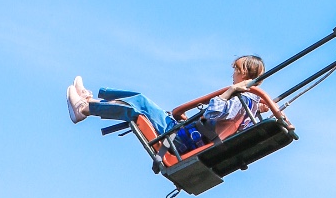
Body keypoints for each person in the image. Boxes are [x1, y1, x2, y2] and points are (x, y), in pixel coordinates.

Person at [67, 57, 289, 146]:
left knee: (139, 105)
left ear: (244, 75)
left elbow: (214, 113)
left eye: (236, 70)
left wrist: (229, 91)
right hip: (189, 134)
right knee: (140, 102)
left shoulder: (240, 98)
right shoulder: (251, 103)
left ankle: (85, 108)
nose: (232, 74)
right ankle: (91, 101)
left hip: (181, 138)